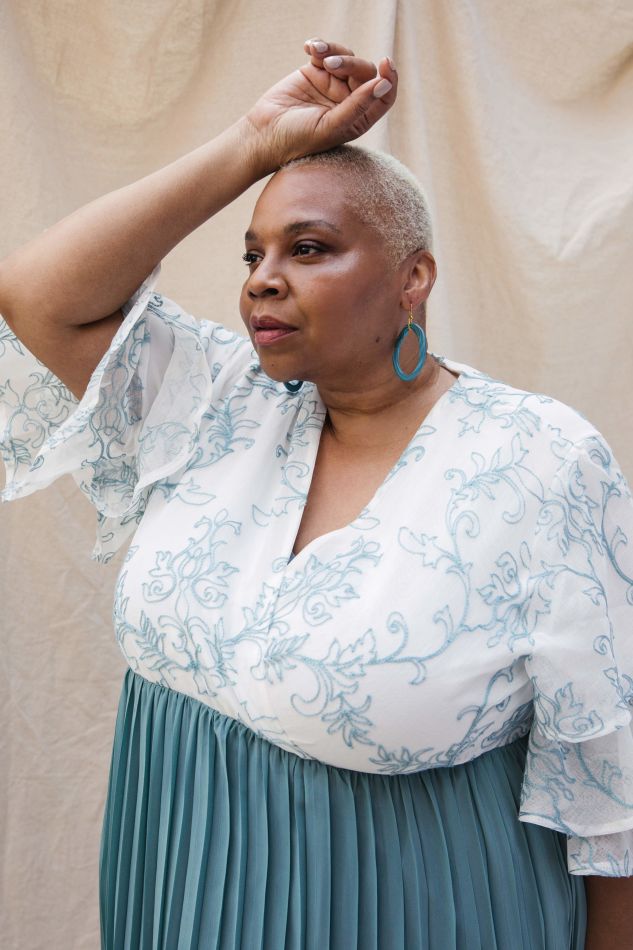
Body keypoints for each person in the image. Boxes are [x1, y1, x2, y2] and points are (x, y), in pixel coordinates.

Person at [0, 36, 632, 950]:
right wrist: (252, 143)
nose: (263, 278)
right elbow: (39, 296)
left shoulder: (537, 459)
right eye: (252, 254)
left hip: (419, 912)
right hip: (174, 887)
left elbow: (611, 777)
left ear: (413, 278)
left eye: (308, 248)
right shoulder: (215, 400)